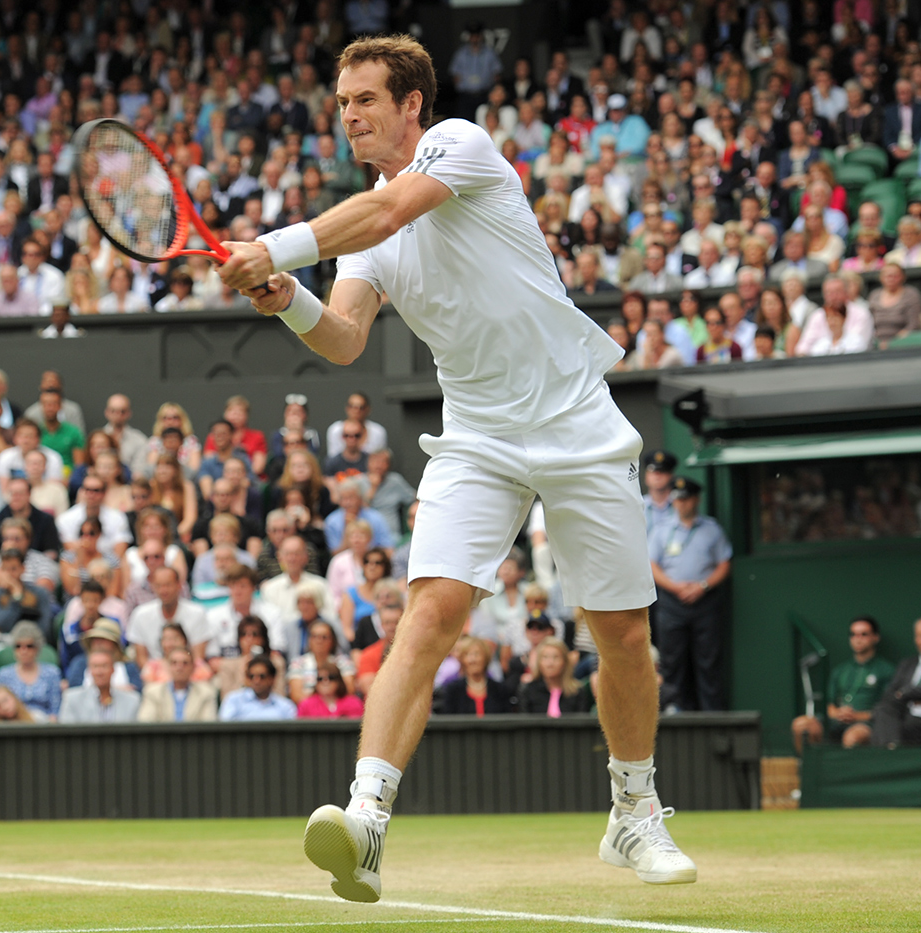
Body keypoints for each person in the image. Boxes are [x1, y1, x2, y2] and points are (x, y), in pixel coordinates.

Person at [217, 35, 693, 897]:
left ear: (410, 106)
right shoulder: (363, 225)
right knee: (429, 612)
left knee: (621, 634)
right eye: (342, 103)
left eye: (366, 98)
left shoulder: (460, 145)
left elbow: (395, 212)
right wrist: (290, 299)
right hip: (476, 433)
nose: (350, 115)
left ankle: (634, 811)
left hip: (576, 418)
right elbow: (347, 338)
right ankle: (365, 817)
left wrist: (279, 248)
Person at [648, 478, 732, 713]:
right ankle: (676, 713)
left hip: (705, 603)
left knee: (708, 662)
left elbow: (724, 563)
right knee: (672, 662)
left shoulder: (712, 529)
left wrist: (702, 586)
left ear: (696, 499)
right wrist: (676, 588)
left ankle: (712, 717)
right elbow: (652, 565)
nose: (681, 504)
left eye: (685, 499)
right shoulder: (662, 529)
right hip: (671, 604)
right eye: (677, 499)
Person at [791, 616, 895, 752]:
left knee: (852, 737)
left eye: (864, 634)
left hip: (866, 724)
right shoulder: (841, 670)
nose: (858, 639)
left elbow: (888, 709)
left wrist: (856, 716)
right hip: (835, 722)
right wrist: (838, 714)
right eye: (853, 634)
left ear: (875, 637)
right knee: (800, 725)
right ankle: (808, 770)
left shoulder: (887, 670)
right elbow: (829, 706)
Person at [872, 616, 921, 749]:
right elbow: (890, 695)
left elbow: (903, 693)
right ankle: (892, 752)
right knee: (883, 709)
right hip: (907, 716)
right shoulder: (906, 665)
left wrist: (906, 693)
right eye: (920, 636)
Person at [137, 646, 219, 722]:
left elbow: (208, 726)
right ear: (168, 667)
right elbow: (146, 723)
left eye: (185, 663)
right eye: (174, 663)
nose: (179, 667)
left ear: (193, 667)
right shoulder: (153, 692)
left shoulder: (206, 692)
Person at [60, 647, 142, 723]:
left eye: (104, 666)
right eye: (95, 666)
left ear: (113, 669)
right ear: (89, 670)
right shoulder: (72, 699)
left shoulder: (132, 700)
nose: (100, 672)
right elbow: (66, 733)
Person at [518, 636, 593, 716]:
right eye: (545, 657)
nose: (550, 663)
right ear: (539, 662)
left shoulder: (577, 691)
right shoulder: (527, 690)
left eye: (556, 657)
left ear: (564, 662)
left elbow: (582, 723)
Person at [219, 654, 297, 721]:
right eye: (252, 676)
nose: (256, 681)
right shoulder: (233, 700)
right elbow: (225, 730)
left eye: (262, 676)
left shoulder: (286, 706)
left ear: (272, 679)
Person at [296, 659, 365, 720]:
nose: (325, 681)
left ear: (339, 681)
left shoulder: (353, 703)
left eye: (331, 677)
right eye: (320, 679)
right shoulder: (306, 705)